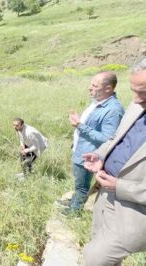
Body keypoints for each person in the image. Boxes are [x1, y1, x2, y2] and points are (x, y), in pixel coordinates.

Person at [82, 59, 146, 265]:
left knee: (94, 258)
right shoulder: (137, 106)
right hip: (105, 193)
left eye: (143, 92)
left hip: (133, 211)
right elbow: (115, 139)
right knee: (98, 245)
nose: (135, 99)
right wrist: (101, 156)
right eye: (133, 91)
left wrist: (120, 186)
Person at [58, 72, 124, 216]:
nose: (89, 88)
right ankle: (74, 202)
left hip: (90, 156)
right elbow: (94, 127)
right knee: (78, 183)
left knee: (82, 186)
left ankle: (74, 212)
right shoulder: (98, 101)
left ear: (108, 88)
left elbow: (108, 139)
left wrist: (80, 125)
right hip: (81, 149)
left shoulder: (113, 109)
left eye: (94, 85)